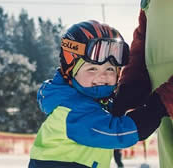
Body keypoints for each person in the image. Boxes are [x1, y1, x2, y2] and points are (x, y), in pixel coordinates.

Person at [28, 21, 161, 168]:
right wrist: (156, 109)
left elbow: (109, 112)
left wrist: (130, 95)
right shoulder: (72, 111)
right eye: (92, 69)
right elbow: (119, 133)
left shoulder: (91, 103)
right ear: (71, 71)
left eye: (110, 70)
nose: (102, 76)